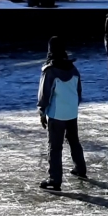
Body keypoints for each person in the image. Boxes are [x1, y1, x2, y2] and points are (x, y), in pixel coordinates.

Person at [37, 37, 87, 191]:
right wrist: (73, 106)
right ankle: (81, 168)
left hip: (57, 114)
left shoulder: (50, 71)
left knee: (55, 147)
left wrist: (42, 111)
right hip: (72, 112)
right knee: (74, 141)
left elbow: (45, 94)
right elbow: (78, 91)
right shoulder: (73, 69)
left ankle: (55, 179)